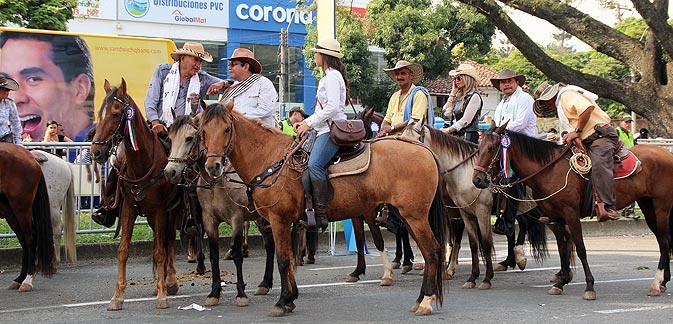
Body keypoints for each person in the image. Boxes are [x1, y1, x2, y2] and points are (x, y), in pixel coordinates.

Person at [533, 82, 620, 222]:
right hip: (585, 140)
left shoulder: (566, 95)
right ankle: (559, 208)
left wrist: (577, 131)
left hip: (600, 136)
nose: (546, 106)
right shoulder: (561, 102)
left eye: (544, 102)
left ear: (550, 97)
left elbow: (586, 109)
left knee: (599, 164)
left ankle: (609, 205)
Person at [0, 31, 95, 142]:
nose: (16, 97)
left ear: (79, 89)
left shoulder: (89, 149)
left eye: (33, 79)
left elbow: (16, 127)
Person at [295, 38, 349, 229]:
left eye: (317, 53)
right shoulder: (329, 76)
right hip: (322, 128)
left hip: (330, 130)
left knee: (314, 164)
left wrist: (308, 123)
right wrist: (306, 123)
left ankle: (321, 212)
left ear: (324, 56)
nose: (314, 55)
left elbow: (333, 107)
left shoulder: (332, 77)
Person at [489, 69, 538, 237]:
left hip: (525, 147)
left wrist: (498, 131)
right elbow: (496, 123)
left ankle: (507, 220)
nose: (506, 84)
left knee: (512, 178)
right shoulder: (501, 104)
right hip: (506, 147)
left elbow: (520, 124)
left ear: (517, 83)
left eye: (510, 81)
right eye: (503, 82)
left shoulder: (525, 98)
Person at [145, 41, 227, 133]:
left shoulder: (202, 78)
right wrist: (155, 123)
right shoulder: (163, 71)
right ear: (183, 58)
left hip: (188, 132)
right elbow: (150, 101)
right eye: (195, 60)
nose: (198, 65)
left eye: (200, 61)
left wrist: (222, 84)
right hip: (161, 129)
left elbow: (231, 85)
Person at [219, 48, 278, 127]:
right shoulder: (232, 88)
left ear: (246, 66)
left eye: (233, 64)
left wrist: (241, 118)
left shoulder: (263, 83)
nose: (229, 67)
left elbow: (266, 109)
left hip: (260, 135)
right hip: (237, 135)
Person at [378, 60, 434, 136]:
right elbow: (385, 122)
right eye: (397, 74)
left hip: (412, 140)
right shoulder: (394, 96)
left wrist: (392, 128)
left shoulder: (418, 95)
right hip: (393, 139)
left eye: (403, 73)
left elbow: (414, 121)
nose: (399, 77)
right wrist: (385, 128)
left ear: (411, 76)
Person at [442, 64, 483, 143]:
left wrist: (447, 130)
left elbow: (466, 120)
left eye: (459, 78)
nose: (456, 80)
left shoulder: (475, 97)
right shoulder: (459, 97)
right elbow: (446, 112)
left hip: (468, 138)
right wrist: (453, 93)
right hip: (456, 136)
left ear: (467, 79)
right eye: (455, 78)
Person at [615, 114, 638, 219]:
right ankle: (626, 210)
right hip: (620, 160)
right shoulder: (616, 131)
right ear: (620, 122)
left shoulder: (629, 133)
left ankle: (628, 211)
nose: (628, 124)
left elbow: (633, 145)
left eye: (629, 122)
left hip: (629, 160)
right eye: (626, 122)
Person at [0, 76, 23, 145]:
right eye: (6, 89)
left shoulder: (10, 103)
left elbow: (16, 124)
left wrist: (18, 143)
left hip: (5, 138)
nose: (8, 92)